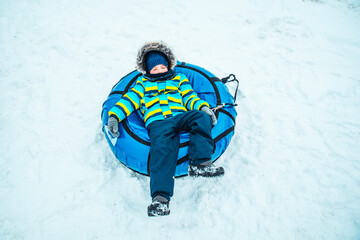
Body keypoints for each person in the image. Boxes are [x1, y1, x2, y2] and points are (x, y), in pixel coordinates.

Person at [107, 41, 224, 217]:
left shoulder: (179, 79)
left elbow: (190, 97)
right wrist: (115, 116)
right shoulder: (142, 84)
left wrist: (203, 108)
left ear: (168, 65)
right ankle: (160, 199)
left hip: (180, 115)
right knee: (161, 150)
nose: (160, 70)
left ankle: (199, 163)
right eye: (155, 69)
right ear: (147, 70)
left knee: (200, 117)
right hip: (157, 122)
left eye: (162, 66)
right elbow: (128, 101)